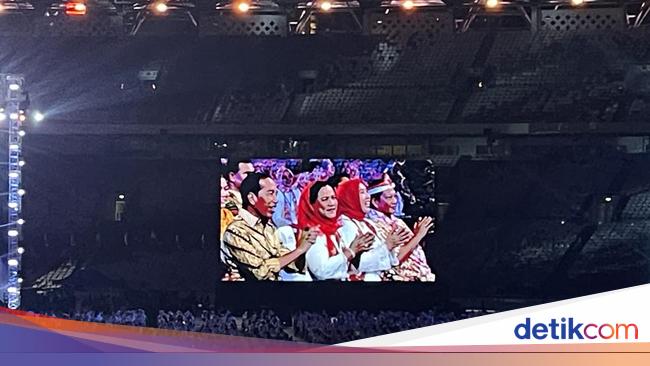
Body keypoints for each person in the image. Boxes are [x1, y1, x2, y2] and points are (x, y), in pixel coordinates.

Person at [221, 172, 317, 280]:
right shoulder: (235, 231)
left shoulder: (269, 228)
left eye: (276, 194)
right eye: (270, 193)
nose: (275, 200)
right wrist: (299, 250)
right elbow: (261, 273)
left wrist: (303, 246)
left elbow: (292, 265)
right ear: (252, 198)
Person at [299, 181, 374, 280]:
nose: (331, 203)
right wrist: (351, 251)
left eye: (333, 198)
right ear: (311, 205)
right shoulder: (312, 233)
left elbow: (344, 269)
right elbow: (322, 272)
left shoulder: (333, 231)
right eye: (325, 199)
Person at [366, 176, 436, 281]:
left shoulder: (396, 221)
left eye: (395, 196)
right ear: (375, 202)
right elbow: (396, 259)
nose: (394, 201)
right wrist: (418, 236)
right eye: (389, 197)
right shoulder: (372, 224)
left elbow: (411, 248)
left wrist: (416, 235)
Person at [335, 178, 400, 281]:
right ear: (350, 197)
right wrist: (387, 246)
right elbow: (357, 263)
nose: (368, 197)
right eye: (362, 192)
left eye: (367, 192)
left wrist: (391, 246)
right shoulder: (345, 224)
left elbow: (388, 260)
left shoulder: (366, 222)